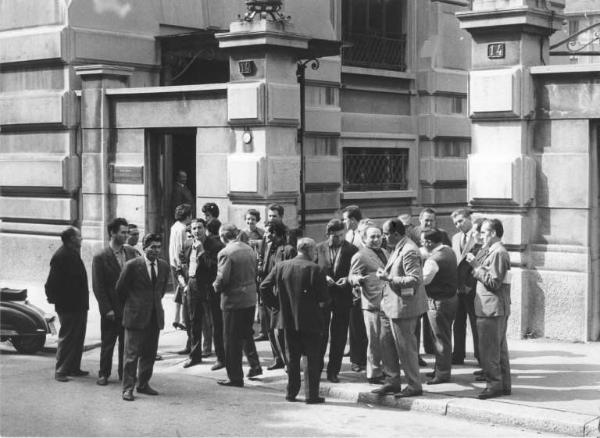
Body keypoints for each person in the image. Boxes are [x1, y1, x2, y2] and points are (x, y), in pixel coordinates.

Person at [260, 238, 329, 404]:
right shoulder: (316, 269)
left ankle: (291, 393)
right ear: (311, 251)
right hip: (310, 320)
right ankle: (311, 395)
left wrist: (276, 306)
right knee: (311, 358)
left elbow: (264, 286)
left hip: (287, 319)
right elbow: (324, 298)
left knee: (292, 358)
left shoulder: (281, 266)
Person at [374, 219, 426, 398]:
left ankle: (414, 385)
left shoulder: (410, 250)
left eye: (386, 234)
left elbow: (415, 279)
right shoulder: (398, 246)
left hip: (403, 307)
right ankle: (392, 381)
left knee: (405, 348)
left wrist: (388, 278)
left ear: (396, 233)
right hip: (390, 305)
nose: (383, 237)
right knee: (386, 344)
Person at [116, 233, 170, 401]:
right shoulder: (132, 265)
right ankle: (127, 388)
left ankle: (143, 384)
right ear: (144, 248)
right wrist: (134, 305)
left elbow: (160, 291)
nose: (156, 250)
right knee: (131, 355)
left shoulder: (164, 266)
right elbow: (120, 290)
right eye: (152, 247)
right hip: (135, 315)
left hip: (154, 316)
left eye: (158, 247)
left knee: (149, 353)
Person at [466, 218, 512, 400]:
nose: (480, 236)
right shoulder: (491, 250)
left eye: (484, 232)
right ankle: (503, 385)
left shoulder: (498, 252)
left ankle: (494, 386)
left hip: (491, 308)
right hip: (492, 307)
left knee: (489, 350)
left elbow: (493, 282)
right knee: (498, 350)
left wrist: (476, 268)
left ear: (493, 233)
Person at [213, 224, 261, 387]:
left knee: (231, 340)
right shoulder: (248, 249)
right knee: (246, 334)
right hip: (249, 298)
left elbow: (222, 279)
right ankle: (255, 365)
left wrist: (216, 287)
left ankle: (235, 376)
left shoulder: (225, 253)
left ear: (223, 237)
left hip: (233, 300)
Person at [92, 218, 138, 386]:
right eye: (123, 232)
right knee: (108, 343)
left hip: (129, 308)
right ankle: (103, 373)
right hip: (111, 309)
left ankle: (124, 373)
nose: (126, 236)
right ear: (112, 233)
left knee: (126, 344)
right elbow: (98, 286)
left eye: (127, 232)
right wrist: (106, 309)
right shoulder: (100, 257)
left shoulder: (131, 253)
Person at [315, 218, 358, 383]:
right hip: (323, 297)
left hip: (343, 296)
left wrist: (347, 279)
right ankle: (317, 368)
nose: (338, 238)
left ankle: (333, 371)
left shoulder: (352, 249)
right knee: (320, 335)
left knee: (339, 337)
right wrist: (322, 277)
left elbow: (357, 270)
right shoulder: (319, 248)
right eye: (335, 236)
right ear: (328, 234)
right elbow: (312, 268)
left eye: (341, 235)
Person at [45, 226, 89, 382]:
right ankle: (61, 370)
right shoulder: (61, 256)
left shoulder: (71, 253)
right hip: (68, 306)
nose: (81, 238)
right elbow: (51, 283)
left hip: (78, 304)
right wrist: (55, 300)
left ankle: (73, 368)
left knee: (78, 337)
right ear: (72, 239)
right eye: (79, 236)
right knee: (68, 337)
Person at [409, 207, 451, 365]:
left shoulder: (442, 234)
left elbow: (445, 254)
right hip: (417, 282)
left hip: (435, 283)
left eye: (432, 220)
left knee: (433, 320)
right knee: (416, 320)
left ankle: (432, 348)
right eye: (426, 220)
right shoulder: (412, 234)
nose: (429, 223)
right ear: (420, 220)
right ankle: (416, 355)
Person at [348, 224, 389, 385]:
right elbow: (352, 275)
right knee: (374, 339)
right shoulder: (361, 255)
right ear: (364, 239)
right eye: (372, 237)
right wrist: (357, 280)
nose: (376, 239)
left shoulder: (385, 252)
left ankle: (386, 370)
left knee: (385, 339)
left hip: (387, 302)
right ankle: (373, 373)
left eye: (378, 236)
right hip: (372, 302)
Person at [256, 221, 297, 370]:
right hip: (267, 293)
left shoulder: (288, 250)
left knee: (281, 330)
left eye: (269, 232)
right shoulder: (267, 247)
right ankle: (277, 358)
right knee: (270, 328)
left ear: (276, 234)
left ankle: (288, 361)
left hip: (281, 295)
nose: (266, 235)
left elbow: (290, 273)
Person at [420, 228, 458, 384]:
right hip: (451, 299)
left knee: (440, 339)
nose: (421, 244)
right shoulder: (449, 251)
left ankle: (442, 374)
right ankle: (440, 368)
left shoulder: (432, 261)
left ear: (429, 242)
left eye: (423, 242)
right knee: (445, 336)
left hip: (437, 302)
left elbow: (423, 281)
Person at [179, 219, 212, 368]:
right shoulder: (186, 245)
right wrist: (184, 284)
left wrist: (202, 251)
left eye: (199, 228)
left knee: (212, 320)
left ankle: (218, 354)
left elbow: (213, 267)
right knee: (193, 321)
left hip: (207, 285)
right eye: (194, 228)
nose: (197, 231)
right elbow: (180, 267)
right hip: (191, 284)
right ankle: (195, 355)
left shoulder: (212, 245)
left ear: (205, 229)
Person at [451, 208, 481, 365]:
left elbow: (480, 262)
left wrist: (470, 284)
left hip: (473, 287)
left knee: (476, 323)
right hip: (458, 287)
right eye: (455, 223)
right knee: (458, 322)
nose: (458, 225)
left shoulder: (479, 237)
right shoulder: (455, 238)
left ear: (470, 218)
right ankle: (458, 354)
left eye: (461, 221)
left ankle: (480, 357)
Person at [205, 218, 226, 371]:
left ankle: (221, 357)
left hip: (214, 291)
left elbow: (214, 268)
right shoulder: (188, 245)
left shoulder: (215, 246)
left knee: (216, 324)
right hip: (201, 290)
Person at [170, 204, 192, 344]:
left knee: (178, 291)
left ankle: (177, 318)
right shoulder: (183, 229)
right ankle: (182, 319)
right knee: (184, 291)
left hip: (174, 262)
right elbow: (180, 247)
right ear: (188, 216)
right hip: (180, 264)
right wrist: (182, 266)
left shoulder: (174, 226)